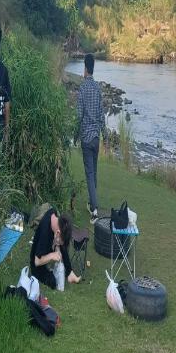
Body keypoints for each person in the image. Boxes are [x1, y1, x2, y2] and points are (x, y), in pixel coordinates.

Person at [76, 53, 106, 224]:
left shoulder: (83, 88)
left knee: (89, 174)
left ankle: (94, 209)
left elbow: (79, 115)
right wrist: (106, 136)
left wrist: (75, 134)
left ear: (85, 68)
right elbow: (102, 115)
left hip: (86, 138)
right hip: (96, 137)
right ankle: (92, 202)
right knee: (94, 171)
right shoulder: (97, 88)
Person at [29, 207, 80, 289]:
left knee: (62, 245)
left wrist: (57, 245)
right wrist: (52, 256)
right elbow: (37, 261)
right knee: (53, 282)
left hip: (49, 245)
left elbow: (61, 242)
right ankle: (54, 270)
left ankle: (70, 273)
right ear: (58, 233)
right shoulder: (44, 233)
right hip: (37, 263)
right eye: (59, 241)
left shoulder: (53, 213)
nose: (59, 244)